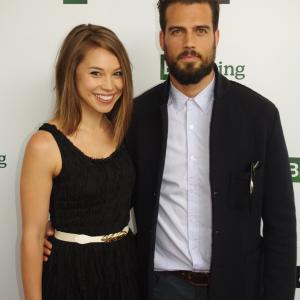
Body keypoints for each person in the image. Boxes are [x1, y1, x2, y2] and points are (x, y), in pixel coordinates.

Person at [44, 1, 297, 300]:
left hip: (239, 286)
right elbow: (105, 184)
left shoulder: (259, 116)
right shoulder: (133, 117)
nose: (189, 43)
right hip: (161, 287)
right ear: (162, 39)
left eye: (200, 30)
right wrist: (60, 228)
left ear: (216, 37)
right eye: (177, 31)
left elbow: (281, 225)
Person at [20, 24, 138, 300]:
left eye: (117, 74)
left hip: (125, 267)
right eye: (96, 73)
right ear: (70, 74)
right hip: (71, 275)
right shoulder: (44, 144)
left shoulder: (124, 132)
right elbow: (32, 238)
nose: (109, 85)